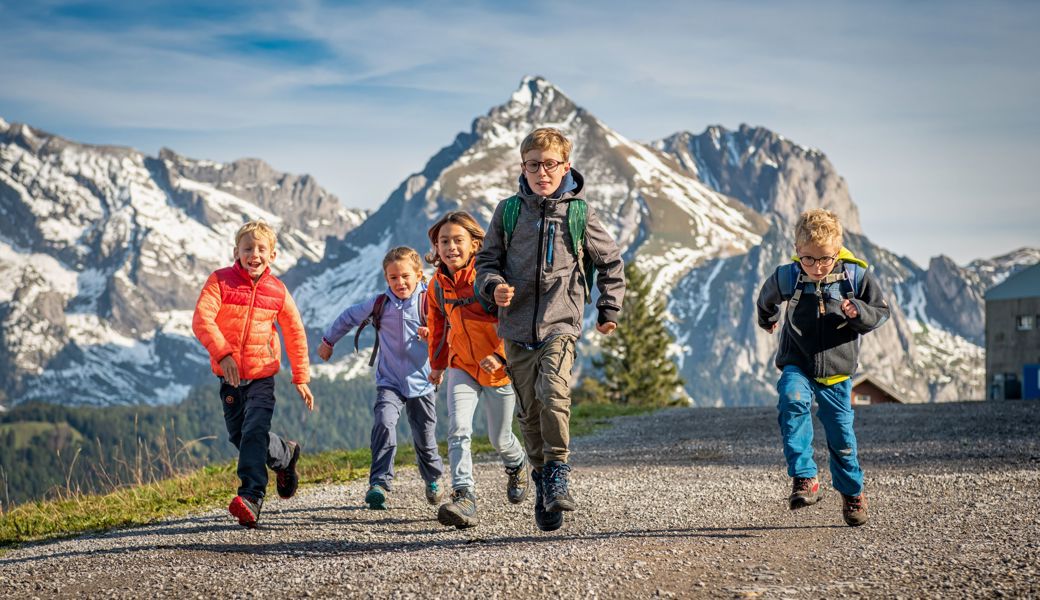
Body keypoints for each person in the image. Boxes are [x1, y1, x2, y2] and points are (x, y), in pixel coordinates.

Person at [475, 127, 626, 532]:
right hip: (516, 325)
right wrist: (493, 288)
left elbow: (611, 263)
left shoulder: (580, 213)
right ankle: (542, 477)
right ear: (522, 167)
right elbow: (485, 263)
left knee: (553, 392)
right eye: (533, 165)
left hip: (561, 323)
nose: (542, 172)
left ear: (566, 167)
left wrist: (609, 308)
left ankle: (558, 469)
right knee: (528, 410)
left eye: (550, 165)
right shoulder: (508, 212)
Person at [756, 208, 890, 526]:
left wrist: (857, 310)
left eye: (826, 259)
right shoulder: (788, 276)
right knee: (792, 401)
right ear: (798, 251)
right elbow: (766, 299)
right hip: (797, 363)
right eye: (810, 259)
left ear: (838, 249)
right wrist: (768, 319)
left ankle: (852, 493)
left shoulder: (855, 277)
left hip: (838, 372)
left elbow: (881, 311)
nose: (818, 267)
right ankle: (805, 477)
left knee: (841, 438)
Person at [192, 220, 314, 528]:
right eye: (248, 248)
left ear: (272, 254)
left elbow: (294, 332)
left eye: (261, 249)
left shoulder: (277, 291)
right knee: (239, 435)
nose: (254, 254)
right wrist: (223, 353)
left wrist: (301, 376)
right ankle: (284, 456)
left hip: (262, 376)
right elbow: (202, 319)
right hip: (230, 378)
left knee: (254, 432)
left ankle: (251, 496)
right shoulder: (220, 281)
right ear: (236, 251)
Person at [317, 246, 445, 510]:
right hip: (389, 381)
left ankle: (434, 479)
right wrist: (328, 341)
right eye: (393, 278)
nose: (400, 282)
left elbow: (447, 331)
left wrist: (431, 333)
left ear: (419, 275)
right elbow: (348, 317)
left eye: (405, 276)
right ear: (386, 279)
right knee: (384, 424)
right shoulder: (380, 304)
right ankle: (378, 484)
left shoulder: (428, 302)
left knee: (424, 437)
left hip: (422, 382)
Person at [425, 211, 528, 529]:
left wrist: (500, 357)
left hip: (498, 370)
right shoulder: (438, 286)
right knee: (458, 430)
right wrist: (438, 366)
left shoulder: (488, 279)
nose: (450, 247)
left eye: (458, 240)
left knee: (500, 438)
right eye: (444, 241)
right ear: (436, 246)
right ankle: (463, 495)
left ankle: (516, 462)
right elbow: (437, 327)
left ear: (475, 244)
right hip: (462, 366)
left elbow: (514, 321)